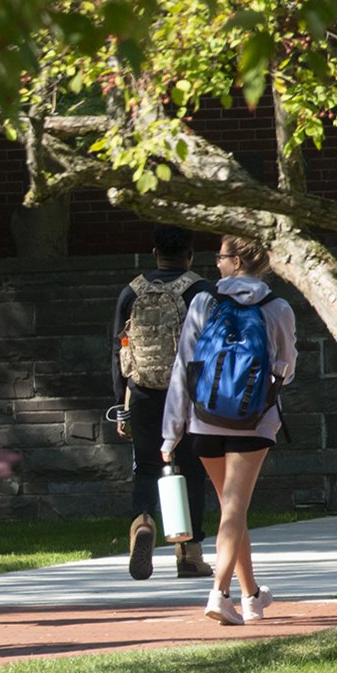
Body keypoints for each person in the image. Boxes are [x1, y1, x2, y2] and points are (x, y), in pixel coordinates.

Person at [162, 236, 299, 625]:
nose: (216, 263)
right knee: (235, 508)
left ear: (236, 261)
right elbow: (288, 368)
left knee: (231, 509)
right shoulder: (278, 307)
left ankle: (251, 596)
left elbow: (184, 366)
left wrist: (171, 433)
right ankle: (220, 593)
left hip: (203, 420)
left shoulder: (204, 302)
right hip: (253, 422)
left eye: (220, 257)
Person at [112, 226, 215, 580]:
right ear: (190, 255)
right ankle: (189, 554)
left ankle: (142, 522)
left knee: (146, 467)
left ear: (155, 252)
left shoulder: (131, 292)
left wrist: (120, 405)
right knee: (191, 470)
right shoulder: (200, 290)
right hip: (187, 396)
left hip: (141, 393)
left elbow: (117, 350)